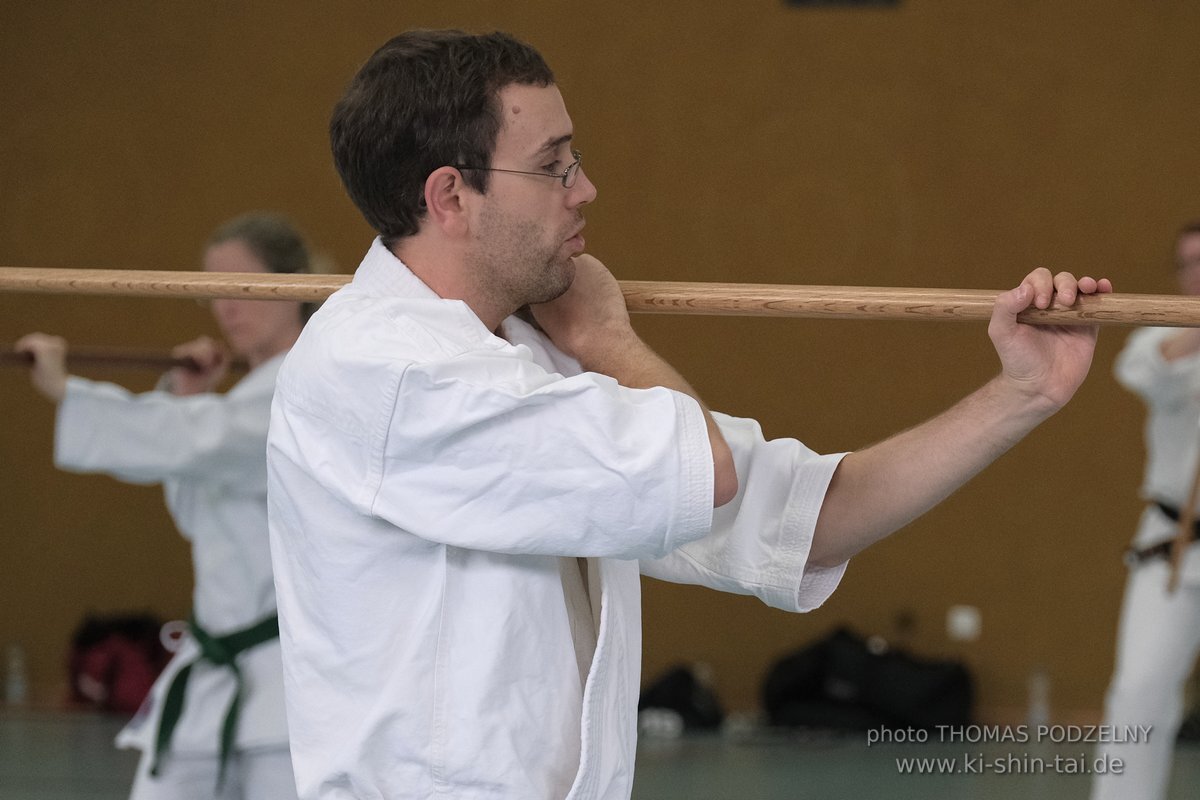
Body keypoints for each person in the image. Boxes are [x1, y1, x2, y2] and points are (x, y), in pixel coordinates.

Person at [265, 30, 1112, 800]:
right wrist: (607, 336)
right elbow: (702, 472)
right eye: (554, 165)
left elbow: (808, 520)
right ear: (451, 196)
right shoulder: (386, 371)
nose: (585, 188)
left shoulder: (526, 362)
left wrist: (1023, 393)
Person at [17, 212, 313, 800]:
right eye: (213, 292)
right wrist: (188, 396)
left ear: (292, 285)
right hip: (216, 668)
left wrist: (66, 389)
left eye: (242, 287)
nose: (226, 307)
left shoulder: (302, 388)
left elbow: (200, 440)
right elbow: (196, 501)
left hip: (286, 687)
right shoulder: (245, 400)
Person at [1092, 221, 1200, 800]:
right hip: (1173, 542)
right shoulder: (1160, 335)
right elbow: (1139, 372)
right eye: (1189, 262)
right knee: (1140, 690)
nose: (1198, 271)